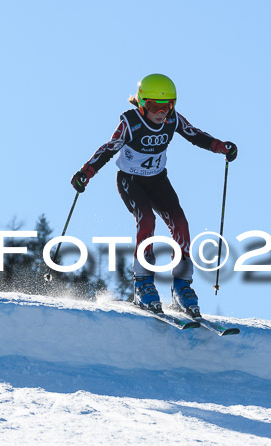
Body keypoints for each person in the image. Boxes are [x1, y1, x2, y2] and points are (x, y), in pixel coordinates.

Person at [71, 73, 237, 317]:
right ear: (141, 103)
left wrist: (221, 147)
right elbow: (108, 149)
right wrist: (86, 172)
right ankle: (143, 282)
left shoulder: (173, 120)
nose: (160, 113)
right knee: (147, 220)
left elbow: (195, 135)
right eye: (153, 106)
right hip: (130, 181)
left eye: (167, 106)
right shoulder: (130, 123)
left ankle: (181, 285)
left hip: (158, 180)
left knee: (180, 223)